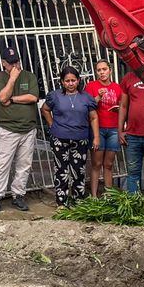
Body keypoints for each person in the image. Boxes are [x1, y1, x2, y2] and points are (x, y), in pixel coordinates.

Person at [0, 44, 40, 214]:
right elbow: (3, 98)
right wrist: (12, 79)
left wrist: (14, 99)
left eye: (16, 61)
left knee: (24, 165)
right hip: (7, 128)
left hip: (28, 128)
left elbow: (33, 97)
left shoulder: (29, 76)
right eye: (11, 62)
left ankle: (18, 195)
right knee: (2, 164)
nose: (15, 65)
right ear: (4, 63)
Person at [42, 66, 99, 208]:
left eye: (73, 80)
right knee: (61, 170)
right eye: (67, 81)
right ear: (62, 82)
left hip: (80, 139)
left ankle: (78, 201)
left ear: (78, 81)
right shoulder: (55, 96)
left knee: (78, 170)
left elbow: (93, 117)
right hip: (59, 138)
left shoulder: (86, 97)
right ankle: (61, 202)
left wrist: (96, 137)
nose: (70, 83)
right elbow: (45, 109)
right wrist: (51, 125)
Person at [85, 59, 125, 197]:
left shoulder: (117, 87)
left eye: (104, 69)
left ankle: (109, 195)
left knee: (109, 164)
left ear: (110, 70)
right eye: (99, 70)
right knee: (96, 164)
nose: (102, 72)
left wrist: (119, 110)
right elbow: (87, 106)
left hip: (113, 128)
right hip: (98, 129)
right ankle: (94, 195)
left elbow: (123, 107)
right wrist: (98, 97)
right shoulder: (91, 86)